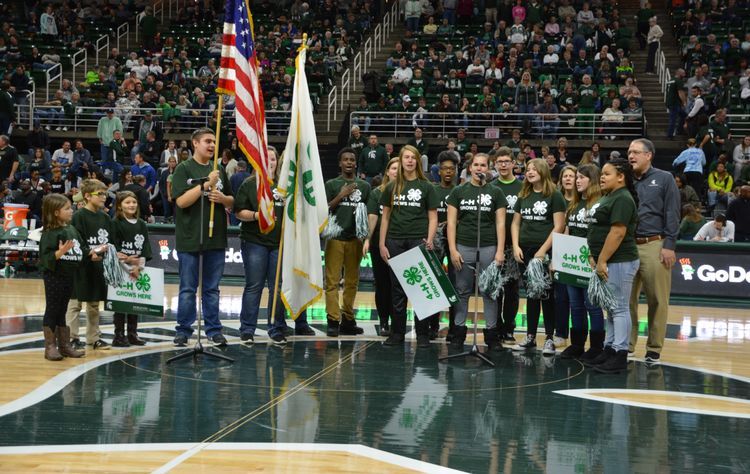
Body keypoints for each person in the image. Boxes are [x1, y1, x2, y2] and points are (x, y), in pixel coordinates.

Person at [235, 146, 314, 344]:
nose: (269, 162)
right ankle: (247, 328)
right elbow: (238, 212)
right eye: (266, 159)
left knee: (278, 287)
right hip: (255, 242)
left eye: (273, 159)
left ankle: (276, 327)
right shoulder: (249, 184)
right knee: (254, 286)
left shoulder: (285, 186)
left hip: (279, 244)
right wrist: (256, 215)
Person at [171, 128, 234, 347]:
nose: (211, 145)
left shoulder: (220, 170)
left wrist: (223, 198)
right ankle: (183, 330)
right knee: (188, 288)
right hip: (190, 238)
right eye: (207, 141)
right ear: (195, 143)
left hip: (215, 238)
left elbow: (232, 202)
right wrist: (206, 184)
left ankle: (213, 329)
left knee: (212, 289)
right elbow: (181, 201)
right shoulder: (184, 168)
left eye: (214, 142)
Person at [379, 145, 439, 347]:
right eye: (406, 157)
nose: (410, 160)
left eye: (413, 157)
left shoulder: (427, 186)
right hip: (395, 240)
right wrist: (381, 243)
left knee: (420, 290)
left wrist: (430, 239)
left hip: (418, 240)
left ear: (418, 162)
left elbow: (433, 217)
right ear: (401, 160)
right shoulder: (391, 187)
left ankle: (422, 334)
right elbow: (385, 217)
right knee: (397, 290)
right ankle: (397, 334)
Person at [585, 158, 641, 373]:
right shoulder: (610, 196)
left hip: (620, 260)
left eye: (607, 174)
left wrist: (602, 260)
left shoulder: (623, 198)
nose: (602, 177)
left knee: (618, 307)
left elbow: (618, 233)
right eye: (602, 174)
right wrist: (594, 254)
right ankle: (609, 348)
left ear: (621, 177)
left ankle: (620, 353)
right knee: (610, 307)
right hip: (608, 259)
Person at [446, 153, 507, 351]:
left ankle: (491, 335)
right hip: (464, 246)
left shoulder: (496, 192)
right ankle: (458, 332)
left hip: (488, 246)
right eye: (476, 165)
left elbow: (500, 223)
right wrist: (453, 250)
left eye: (483, 165)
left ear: (488, 169)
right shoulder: (458, 191)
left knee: (489, 292)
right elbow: (452, 223)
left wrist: (499, 251)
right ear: (470, 168)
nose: (479, 168)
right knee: (462, 291)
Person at [628, 138, 681, 363]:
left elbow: (672, 212)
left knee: (657, 299)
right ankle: (626, 344)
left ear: (649, 155)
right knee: (625, 300)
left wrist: (669, 245)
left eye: (636, 152)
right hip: (627, 245)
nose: (631, 156)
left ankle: (654, 348)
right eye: (629, 152)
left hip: (654, 243)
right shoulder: (625, 179)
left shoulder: (664, 178)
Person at [511, 158, 566, 355]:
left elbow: (559, 226)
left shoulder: (554, 195)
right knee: (532, 294)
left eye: (534, 169)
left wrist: (543, 251)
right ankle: (531, 336)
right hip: (524, 251)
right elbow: (516, 223)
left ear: (543, 171)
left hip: (544, 252)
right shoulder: (524, 194)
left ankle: (550, 338)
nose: (530, 172)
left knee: (546, 294)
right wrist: (516, 245)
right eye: (527, 169)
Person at [561, 164, 605, 360]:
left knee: (592, 305)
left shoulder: (600, 204)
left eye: (581, 177)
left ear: (592, 180)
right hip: (572, 261)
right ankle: (577, 344)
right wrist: (559, 260)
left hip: (591, 261)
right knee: (575, 305)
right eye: (576, 177)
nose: (577, 181)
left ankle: (596, 347)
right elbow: (567, 232)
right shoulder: (574, 205)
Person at [324, 148, 370, 337]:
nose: (349, 162)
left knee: (352, 282)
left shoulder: (365, 186)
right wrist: (341, 195)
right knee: (332, 282)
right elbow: (324, 209)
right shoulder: (332, 184)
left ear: (356, 163)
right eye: (346, 159)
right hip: (335, 238)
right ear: (340, 163)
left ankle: (348, 319)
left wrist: (366, 237)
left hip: (355, 239)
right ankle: (333, 320)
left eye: (352, 159)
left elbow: (369, 213)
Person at [38, 194, 87, 360]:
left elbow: (82, 249)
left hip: (69, 275)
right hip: (54, 276)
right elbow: (45, 258)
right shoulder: (50, 233)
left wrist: (94, 253)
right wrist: (60, 252)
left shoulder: (72, 230)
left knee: (62, 310)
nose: (71, 210)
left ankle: (64, 345)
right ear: (56, 212)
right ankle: (50, 347)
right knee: (52, 309)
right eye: (67, 208)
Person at [65, 179, 112, 350]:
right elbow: (74, 241)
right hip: (79, 266)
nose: (104, 197)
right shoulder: (78, 217)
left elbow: (109, 241)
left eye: (105, 194)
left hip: (97, 267)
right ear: (87, 196)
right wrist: (88, 253)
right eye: (100, 194)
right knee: (75, 303)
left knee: (93, 304)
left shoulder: (106, 218)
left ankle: (93, 338)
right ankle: (71, 338)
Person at [111, 191, 152, 347]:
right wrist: (128, 264)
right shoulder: (115, 223)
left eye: (134, 202)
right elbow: (114, 249)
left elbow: (146, 248)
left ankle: (132, 334)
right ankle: (119, 335)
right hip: (121, 268)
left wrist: (139, 267)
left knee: (135, 301)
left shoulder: (141, 224)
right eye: (127, 202)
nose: (131, 205)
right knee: (120, 303)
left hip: (137, 269)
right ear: (120, 206)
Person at [491, 147, 523, 344]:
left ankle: (509, 327)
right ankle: (496, 326)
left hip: (515, 245)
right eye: (499, 161)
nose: (503, 165)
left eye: (506, 161)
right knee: (495, 289)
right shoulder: (491, 186)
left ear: (513, 164)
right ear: (495, 164)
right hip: (493, 246)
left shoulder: (522, 187)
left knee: (512, 289)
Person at [365, 158, 400, 336]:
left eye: (399, 168)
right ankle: (384, 320)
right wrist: (367, 239)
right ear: (387, 171)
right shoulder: (376, 193)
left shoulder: (409, 192)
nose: (396, 171)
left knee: (399, 285)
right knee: (382, 284)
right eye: (393, 168)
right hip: (380, 244)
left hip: (401, 244)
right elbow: (372, 217)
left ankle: (397, 321)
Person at [432, 152, 458, 340]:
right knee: (434, 282)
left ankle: (454, 328)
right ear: (439, 171)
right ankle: (432, 325)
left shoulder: (461, 191)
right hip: (435, 241)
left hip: (456, 241)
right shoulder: (432, 190)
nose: (448, 171)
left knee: (455, 285)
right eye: (445, 168)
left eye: (452, 168)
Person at [554, 165, 576, 346]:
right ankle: (560, 333)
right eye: (565, 176)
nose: (568, 179)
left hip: (579, 254)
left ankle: (579, 337)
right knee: (560, 296)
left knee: (578, 298)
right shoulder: (555, 199)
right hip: (559, 251)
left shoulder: (583, 199)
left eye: (572, 176)